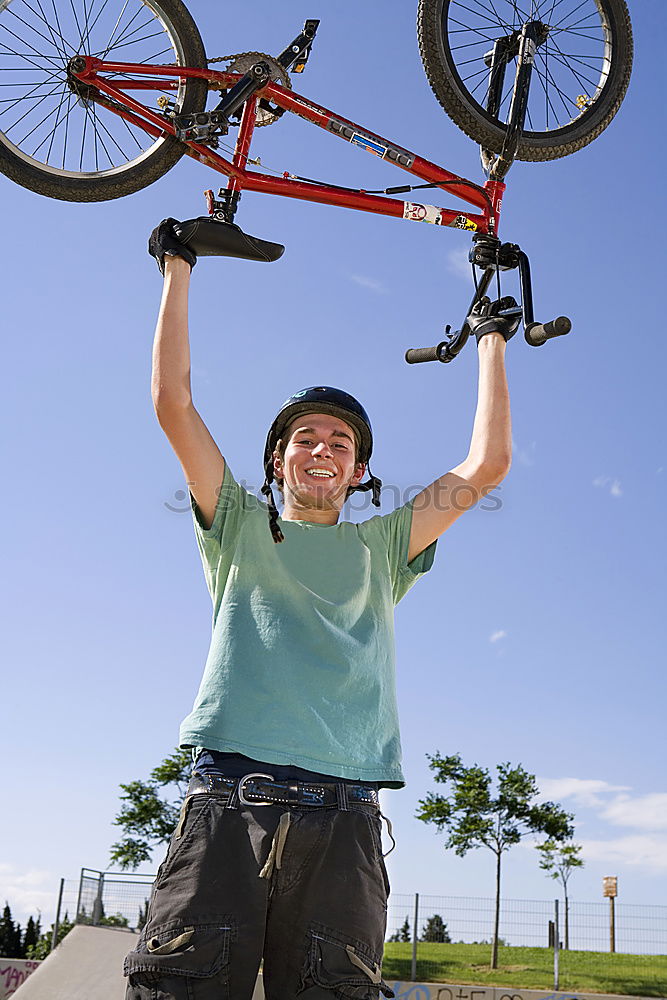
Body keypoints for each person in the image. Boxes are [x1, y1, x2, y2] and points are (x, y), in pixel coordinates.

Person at [124, 219, 516, 1000]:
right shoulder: (238, 525)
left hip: (345, 820)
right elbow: (172, 403)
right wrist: (178, 264)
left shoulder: (383, 545)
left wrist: (488, 341)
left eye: (339, 441)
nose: (321, 448)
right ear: (280, 461)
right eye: (305, 437)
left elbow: (486, 464)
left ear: (357, 469)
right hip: (230, 806)